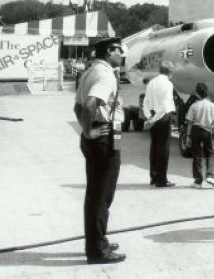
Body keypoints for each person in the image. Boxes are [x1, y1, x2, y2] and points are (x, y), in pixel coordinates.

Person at [73, 37, 126, 264]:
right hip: (103, 139)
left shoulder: (89, 72)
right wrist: (88, 132)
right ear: (109, 51)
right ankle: (97, 250)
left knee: (96, 194)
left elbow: (77, 106)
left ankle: (96, 240)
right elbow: (89, 104)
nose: (122, 54)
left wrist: (85, 132)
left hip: (99, 137)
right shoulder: (105, 75)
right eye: (119, 50)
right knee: (101, 195)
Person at [143, 60, 177, 187]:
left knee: (154, 147)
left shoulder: (152, 82)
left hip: (153, 115)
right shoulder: (168, 84)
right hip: (162, 117)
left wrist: (149, 117)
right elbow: (164, 106)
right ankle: (161, 180)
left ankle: (153, 177)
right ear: (170, 72)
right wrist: (153, 119)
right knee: (163, 149)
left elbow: (145, 102)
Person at [185, 82, 214, 189]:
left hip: (196, 131)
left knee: (197, 155)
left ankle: (198, 181)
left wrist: (188, 136)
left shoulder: (194, 106)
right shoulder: (211, 105)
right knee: (209, 154)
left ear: (197, 93)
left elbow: (190, 122)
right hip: (207, 131)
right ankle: (210, 175)